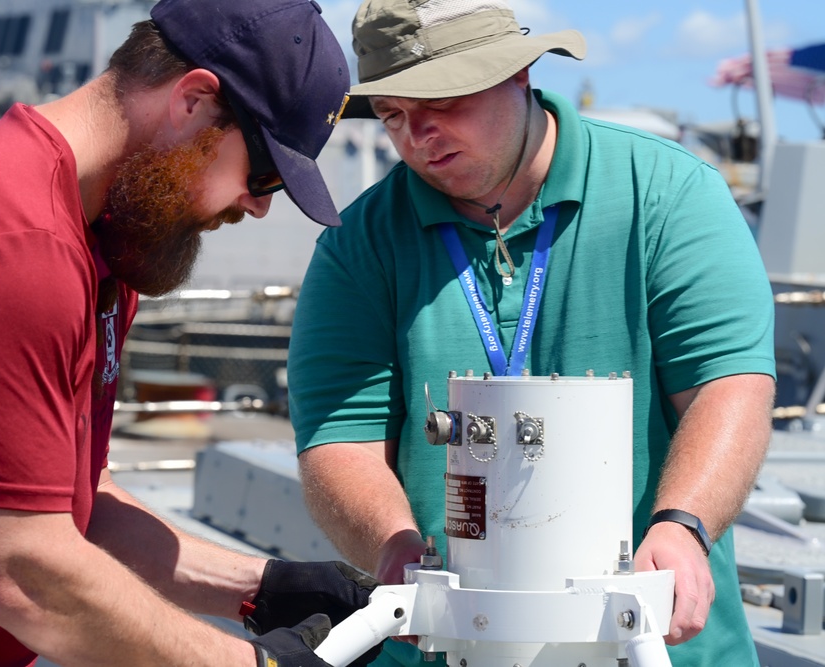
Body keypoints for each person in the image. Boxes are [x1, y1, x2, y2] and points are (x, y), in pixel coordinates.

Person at [0, 1, 381, 665]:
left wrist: (260, 588)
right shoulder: (10, 241)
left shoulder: (103, 241)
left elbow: (70, 503)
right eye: (264, 174)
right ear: (193, 100)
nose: (259, 206)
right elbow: (24, 572)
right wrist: (250, 663)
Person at [287, 1, 776, 666]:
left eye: (443, 100)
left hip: (653, 642)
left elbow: (729, 386)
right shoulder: (358, 246)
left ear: (519, 73)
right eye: (394, 113)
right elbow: (341, 440)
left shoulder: (668, 192)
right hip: (446, 645)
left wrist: (683, 524)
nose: (417, 135)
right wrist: (394, 544)